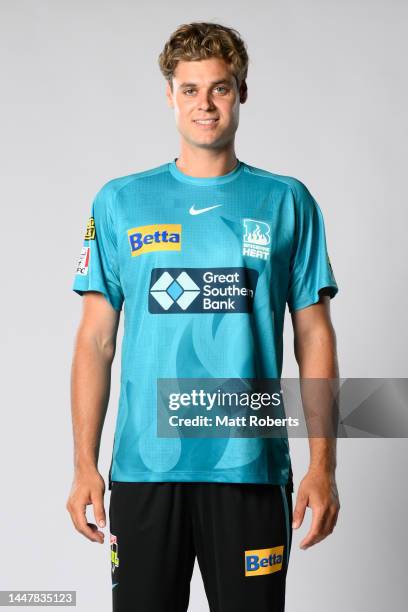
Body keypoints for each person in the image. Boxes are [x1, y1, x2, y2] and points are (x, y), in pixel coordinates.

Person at [66, 21, 340, 612]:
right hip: (145, 469)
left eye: (220, 88)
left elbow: (313, 335)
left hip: (250, 469)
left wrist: (322, 465)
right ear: (170, 95)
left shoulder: (287, 200)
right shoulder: (120, 201)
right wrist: (84, 464)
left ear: (243, 91)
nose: (205, 104)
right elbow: (95, 342)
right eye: (190, 90)